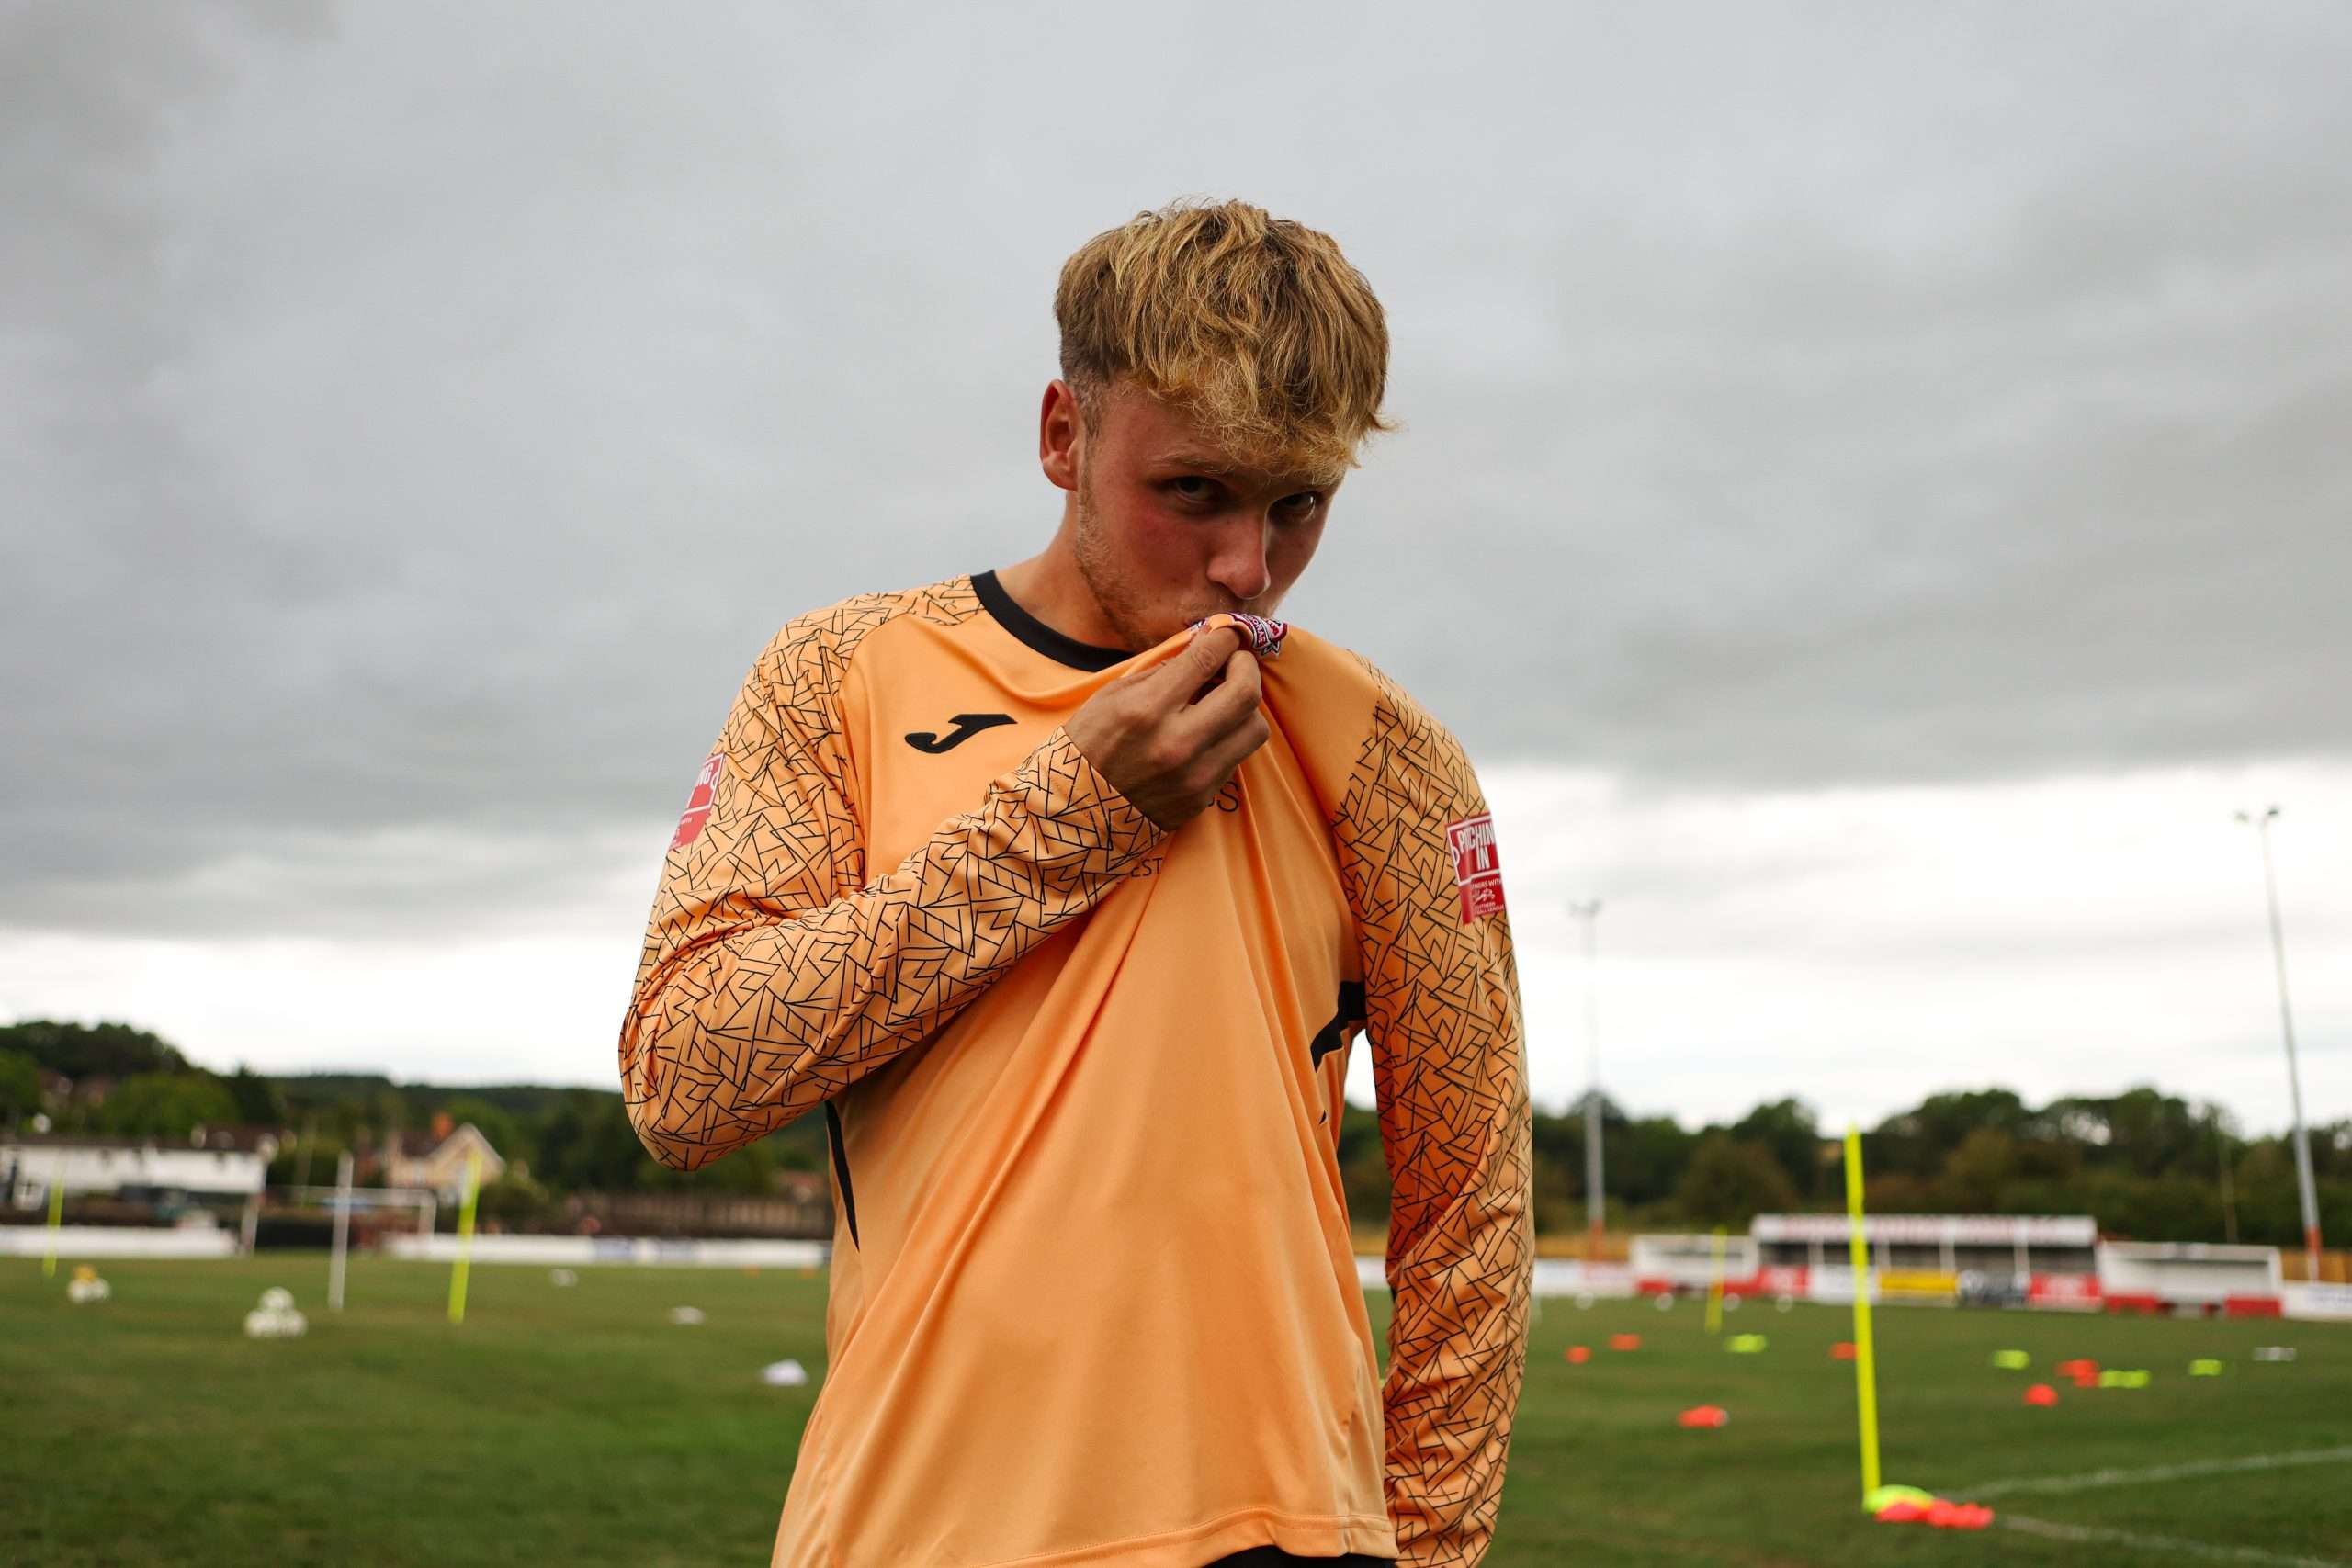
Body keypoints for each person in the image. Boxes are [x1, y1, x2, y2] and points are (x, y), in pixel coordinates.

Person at [619, 198, 1532, 1568]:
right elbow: (686, 1080)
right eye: (1194, 492)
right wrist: (1078, 812)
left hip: (1290, 1531)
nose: (1247, 567)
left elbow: (1473, 1216)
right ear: (1064, 434)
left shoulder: (1389, 758)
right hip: (916, 1528)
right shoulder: (841, 674)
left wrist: (1434, 1553)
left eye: (1299, 505)